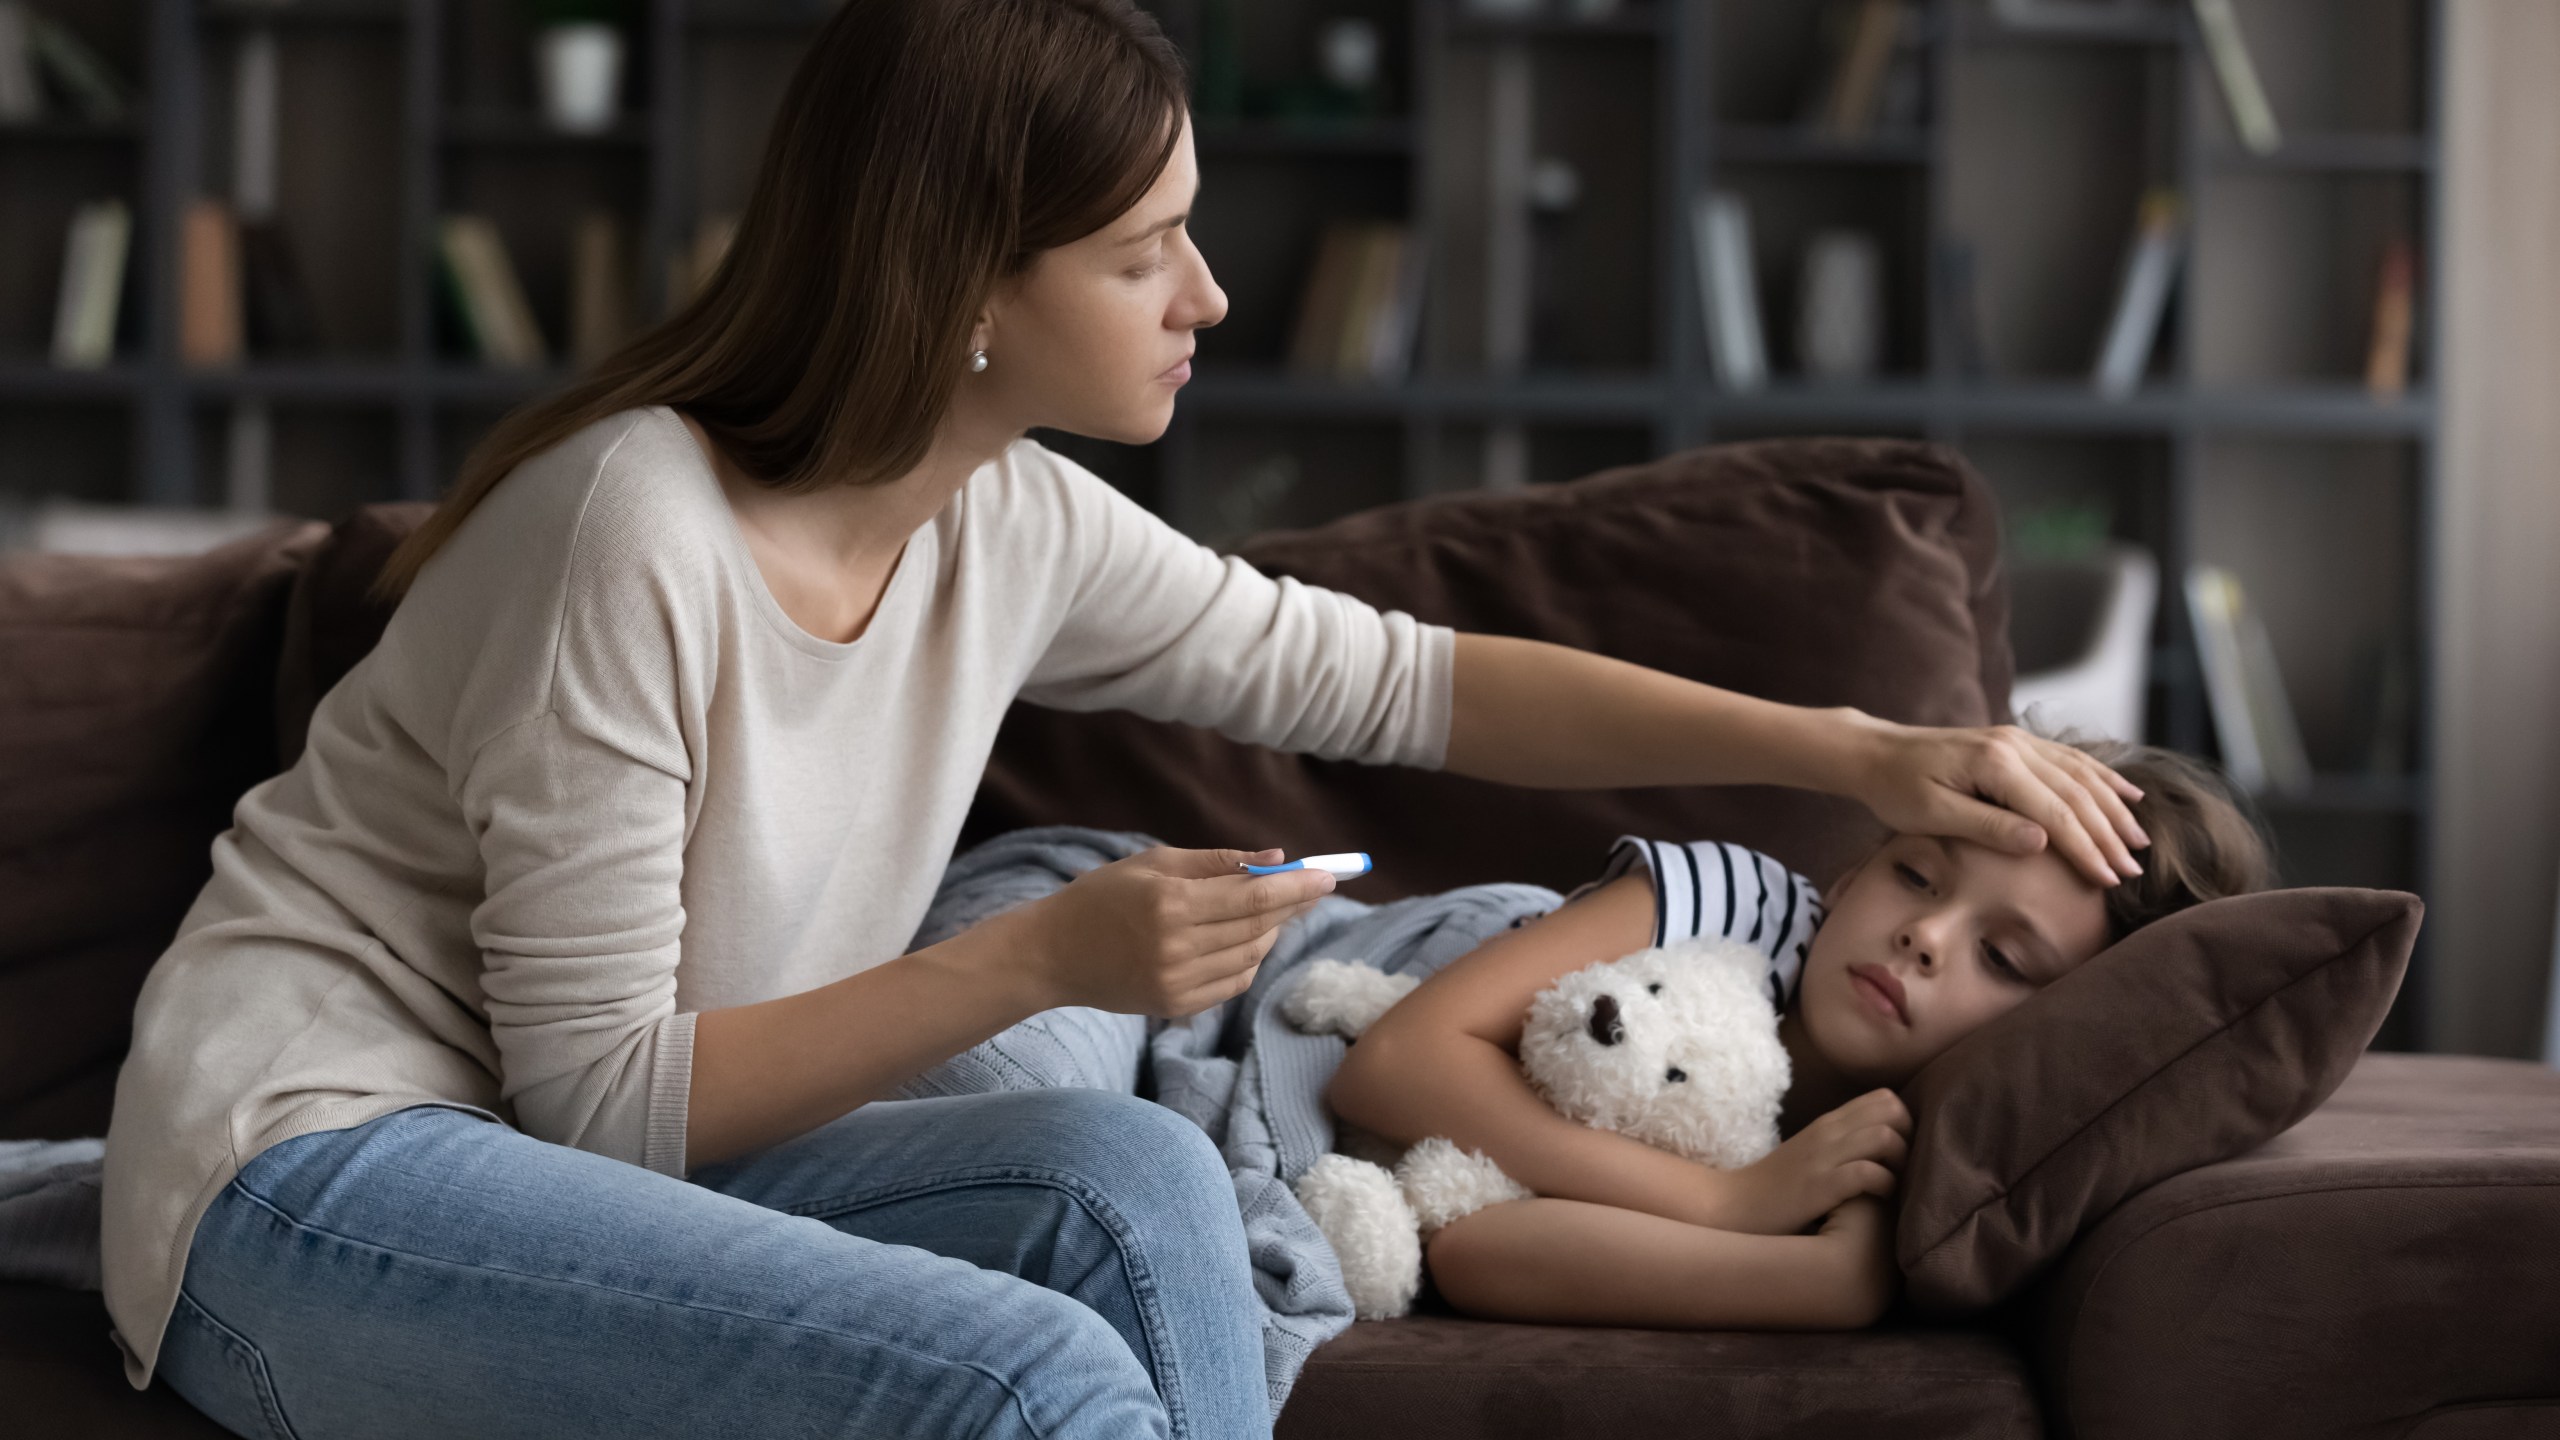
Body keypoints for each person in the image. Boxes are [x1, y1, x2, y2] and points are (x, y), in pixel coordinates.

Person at [98, 3, 2150, 1438]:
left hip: (603, 1179)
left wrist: (1857, 755)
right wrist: (1039, 962)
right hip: (328, 1182)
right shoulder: (629, 535)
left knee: (1139, 1182)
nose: (1208, 295)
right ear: (971, 280)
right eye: (1144, 247)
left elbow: (1405, 674)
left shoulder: (1006, 518)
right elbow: (601, 1105)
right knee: (1030, 1387)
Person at [1325, 740, 2268, 1332]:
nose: (1926, 938)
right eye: (1917, 877)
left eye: (2006, 960)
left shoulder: (1904, 1156)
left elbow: (1479, 1251)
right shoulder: (1734, 906)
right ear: (1856, 874)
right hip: (1316, 979)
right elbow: (1396, 1062)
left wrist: (1833, 1280)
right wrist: (1724, 1204)